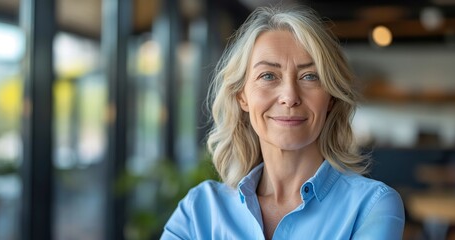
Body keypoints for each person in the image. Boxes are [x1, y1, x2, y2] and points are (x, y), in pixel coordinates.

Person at [161, 5, 405, 240]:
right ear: (241, 96)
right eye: (268, 76)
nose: (289, 97)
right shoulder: (200, 210)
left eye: (310, 76)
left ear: (330, 98)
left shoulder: (372, 206)